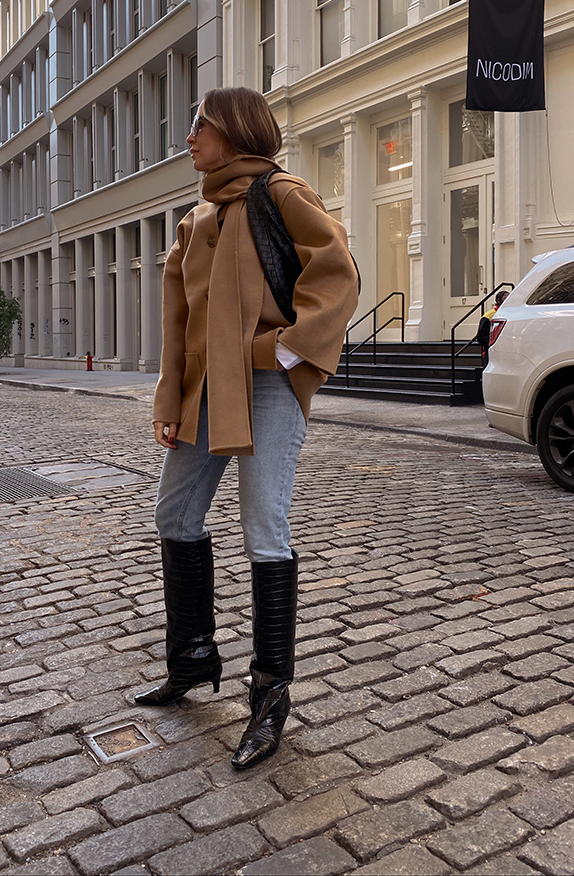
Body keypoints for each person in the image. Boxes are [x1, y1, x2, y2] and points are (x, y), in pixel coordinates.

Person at [134, 86, 359, 770]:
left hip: (264, 387)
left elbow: (338, 274)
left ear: (231, 132)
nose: (190, 138)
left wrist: (282, 351)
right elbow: (179, 324)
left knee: (265, 529)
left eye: (198, 125)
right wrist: (169, 402)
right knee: (175, 513)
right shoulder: (195, 220)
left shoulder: (281, 194)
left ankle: (269, 694)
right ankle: (192, 655)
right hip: (204, 391)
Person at [474, 289, 510, 367]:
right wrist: (492, 345)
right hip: (492, 352)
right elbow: (481, 337)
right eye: (505, 298)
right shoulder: (489, 316)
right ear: (499, 301)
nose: (508, 300)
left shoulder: (512, 314)